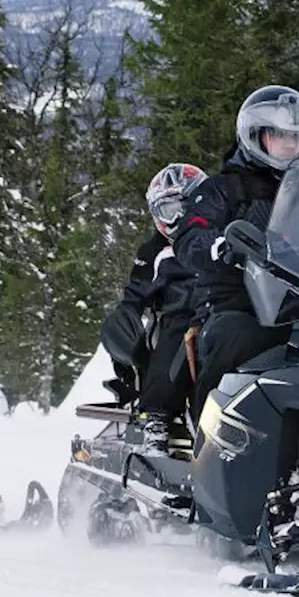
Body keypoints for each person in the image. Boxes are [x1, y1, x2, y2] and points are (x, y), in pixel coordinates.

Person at [171, 85, 299, 420]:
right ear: (254, 136)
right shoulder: (222, 189)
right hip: (243, 303)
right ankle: (209, 438)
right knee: (238, 338)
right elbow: (190, 237)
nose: (290, 144)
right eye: (279, 135)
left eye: (296, 136)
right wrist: (221, 246)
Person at [100, 163, 207, 457]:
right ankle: (157, 419)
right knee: (179, 334)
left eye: (189, 206)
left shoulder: (221, 239)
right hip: (179, 320)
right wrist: (127, 317)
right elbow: (135, 292)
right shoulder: (156, 250)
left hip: (222, 309)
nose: (180, 218)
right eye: (169, 210)